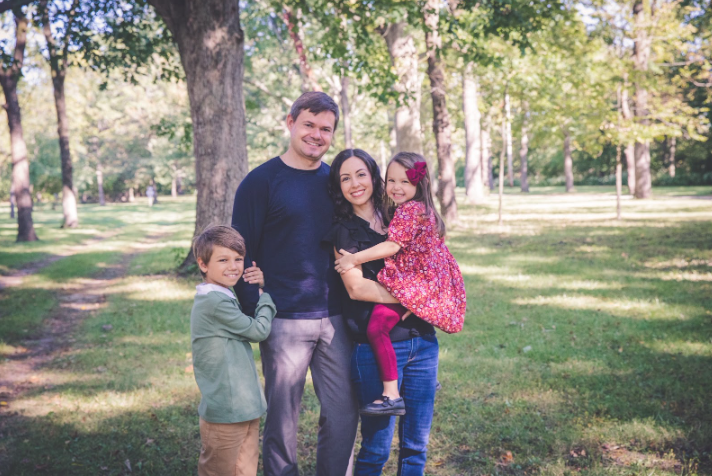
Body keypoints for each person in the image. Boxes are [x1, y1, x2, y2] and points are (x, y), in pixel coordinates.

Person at [231, 92, 358, 476]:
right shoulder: (260, 182)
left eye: (326, 129)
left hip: (336, 317)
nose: (317, 135)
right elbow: (241, 252)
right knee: (282, 423)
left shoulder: (336, 182)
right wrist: (257, 312)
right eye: (309, 125)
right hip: (283, 319)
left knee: (342, 416)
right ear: (290, 122)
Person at [323, 149, 439, 475]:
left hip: (423, 342)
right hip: (377, 349)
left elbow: (430, 261)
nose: (355, 183)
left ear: (374, 177)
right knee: (377, 449)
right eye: (345, 178)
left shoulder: (400, 214)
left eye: (360, 174)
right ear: (338, 186)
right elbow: (356, 289)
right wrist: (413, 298)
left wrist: (420, 293)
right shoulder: (344, 231)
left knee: (416, 447)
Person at [335, 152, 466, 416]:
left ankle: (392, 393)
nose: (396, 187)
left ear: (419, 184)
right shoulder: (419, 210)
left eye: (405, 182)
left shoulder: (408, 211)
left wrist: (354, 259)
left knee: (376, 329)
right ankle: (423, 381)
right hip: (422, 284)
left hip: (413, 285)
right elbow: (357, 289)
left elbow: (393, 245)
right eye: (392, 180)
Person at [190, 225, 276, 476]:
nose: (233, 266)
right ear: (203, 265)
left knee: (244, 469)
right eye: (223, 260)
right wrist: (266, 297)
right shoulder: (214, 301)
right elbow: (259, 330)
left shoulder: (223, 294)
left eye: (238, 259)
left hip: (244, 405)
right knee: (218, 470)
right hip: (226, 410)